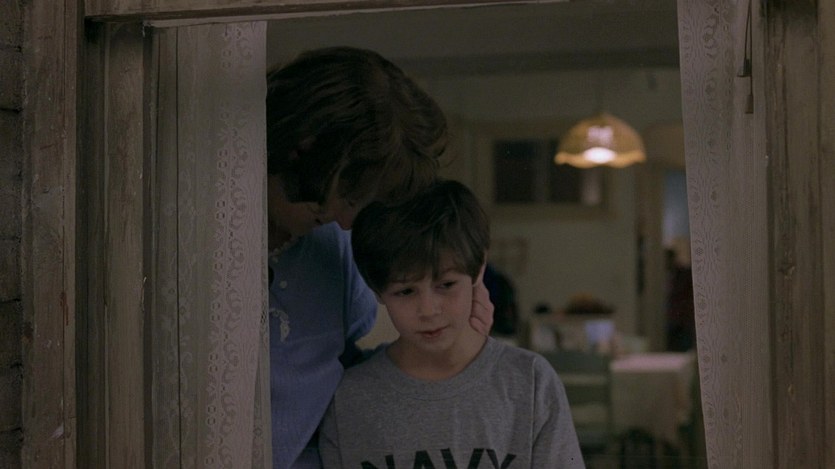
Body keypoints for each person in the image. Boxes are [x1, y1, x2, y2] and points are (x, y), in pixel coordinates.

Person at [265, 47, 494, 469]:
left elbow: (346, 372)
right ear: (301, 148)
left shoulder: (333, 246)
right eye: (346, 194)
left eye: (361, 203)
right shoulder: (204, 239)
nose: (346, 221)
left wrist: (444, 346)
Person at [319, 180, 584, 468]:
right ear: (376, 290)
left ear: (478, 269)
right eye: (406, 291)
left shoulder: (530, 382)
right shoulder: (350, 399)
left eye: (446, 285)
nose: (428, 310)